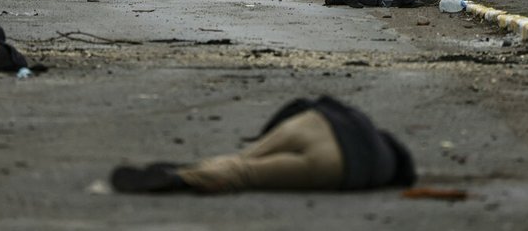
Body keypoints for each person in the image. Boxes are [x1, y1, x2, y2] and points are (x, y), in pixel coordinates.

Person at [110, 95, 416, 193]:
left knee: (244, 158)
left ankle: (212, 164)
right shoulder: (383, 169)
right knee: (248, 174)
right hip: (337, 164)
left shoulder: (361, 121)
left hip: (313, 122)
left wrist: (264, 136)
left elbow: (300, 105)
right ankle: (184, 178)